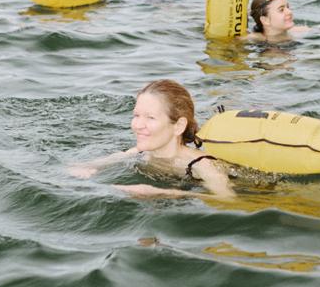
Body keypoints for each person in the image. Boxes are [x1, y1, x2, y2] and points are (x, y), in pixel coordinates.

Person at [67, 79, 234, 199]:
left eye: (150, 118)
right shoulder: (140, 152)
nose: (138, 125)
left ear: (178, 126)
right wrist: (83, 168)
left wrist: (164, 193)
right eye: (136, 115)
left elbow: (227, 199)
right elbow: (86, 166)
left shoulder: (202, 165)